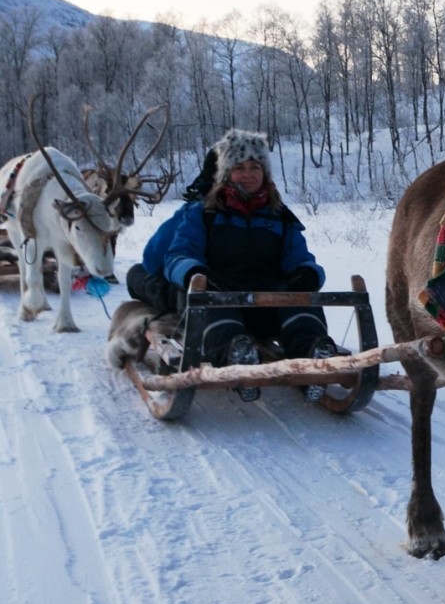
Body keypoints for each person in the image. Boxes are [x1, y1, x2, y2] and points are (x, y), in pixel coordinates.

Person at [125, 129, 342, 402]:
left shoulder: (280, 217)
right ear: (226, 173)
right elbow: (178, 255)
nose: (248, 174)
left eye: (255, 167)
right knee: (211, 304)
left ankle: (312, 355)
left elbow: (299, 256)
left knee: (300, 301)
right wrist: (194, 272)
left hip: (265, 302)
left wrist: (307, 273)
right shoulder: (203, 212)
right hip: (219, 293)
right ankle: (235, 357)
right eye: (239, 167)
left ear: (265, 173)